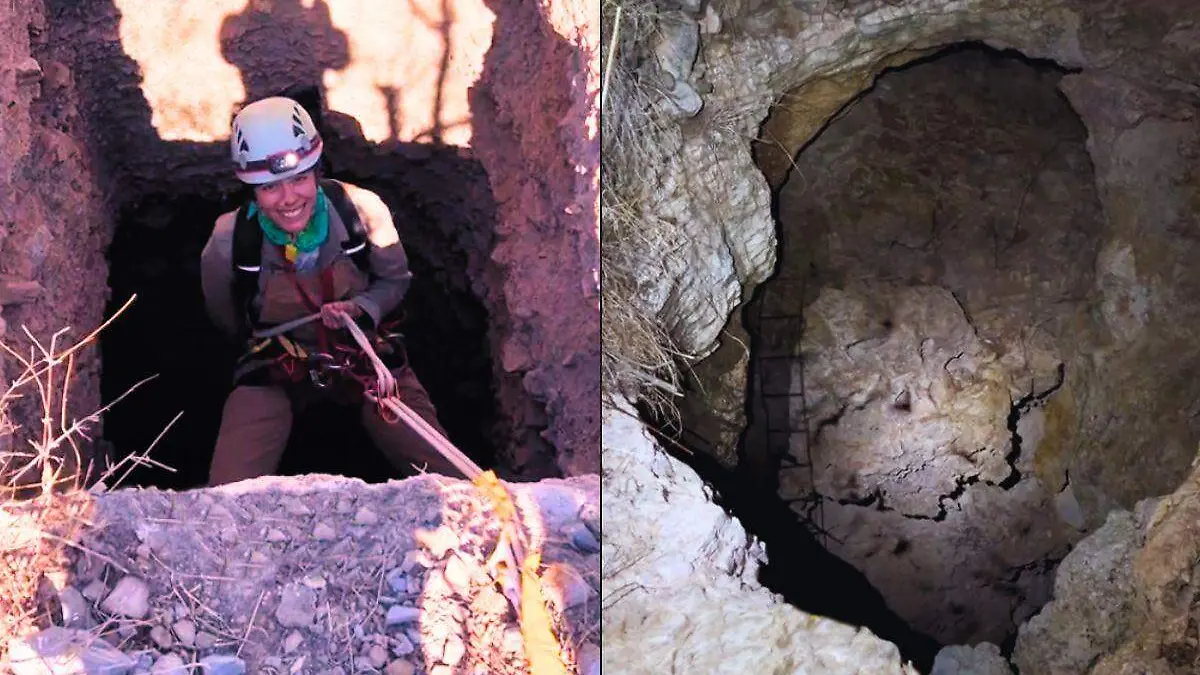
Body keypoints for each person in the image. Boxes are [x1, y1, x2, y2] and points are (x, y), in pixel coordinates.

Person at [200, 95, 462, 485]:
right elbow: (226, 317)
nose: (289, 199)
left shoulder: (360, 212)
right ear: (250, 187)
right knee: (225, 494)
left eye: (299, 179)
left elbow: (395, 281)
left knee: (451, 478)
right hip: (276, 364)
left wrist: (362, 307)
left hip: (363, 356)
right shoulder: (229, 242)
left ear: (316, 171)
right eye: (270, 187)